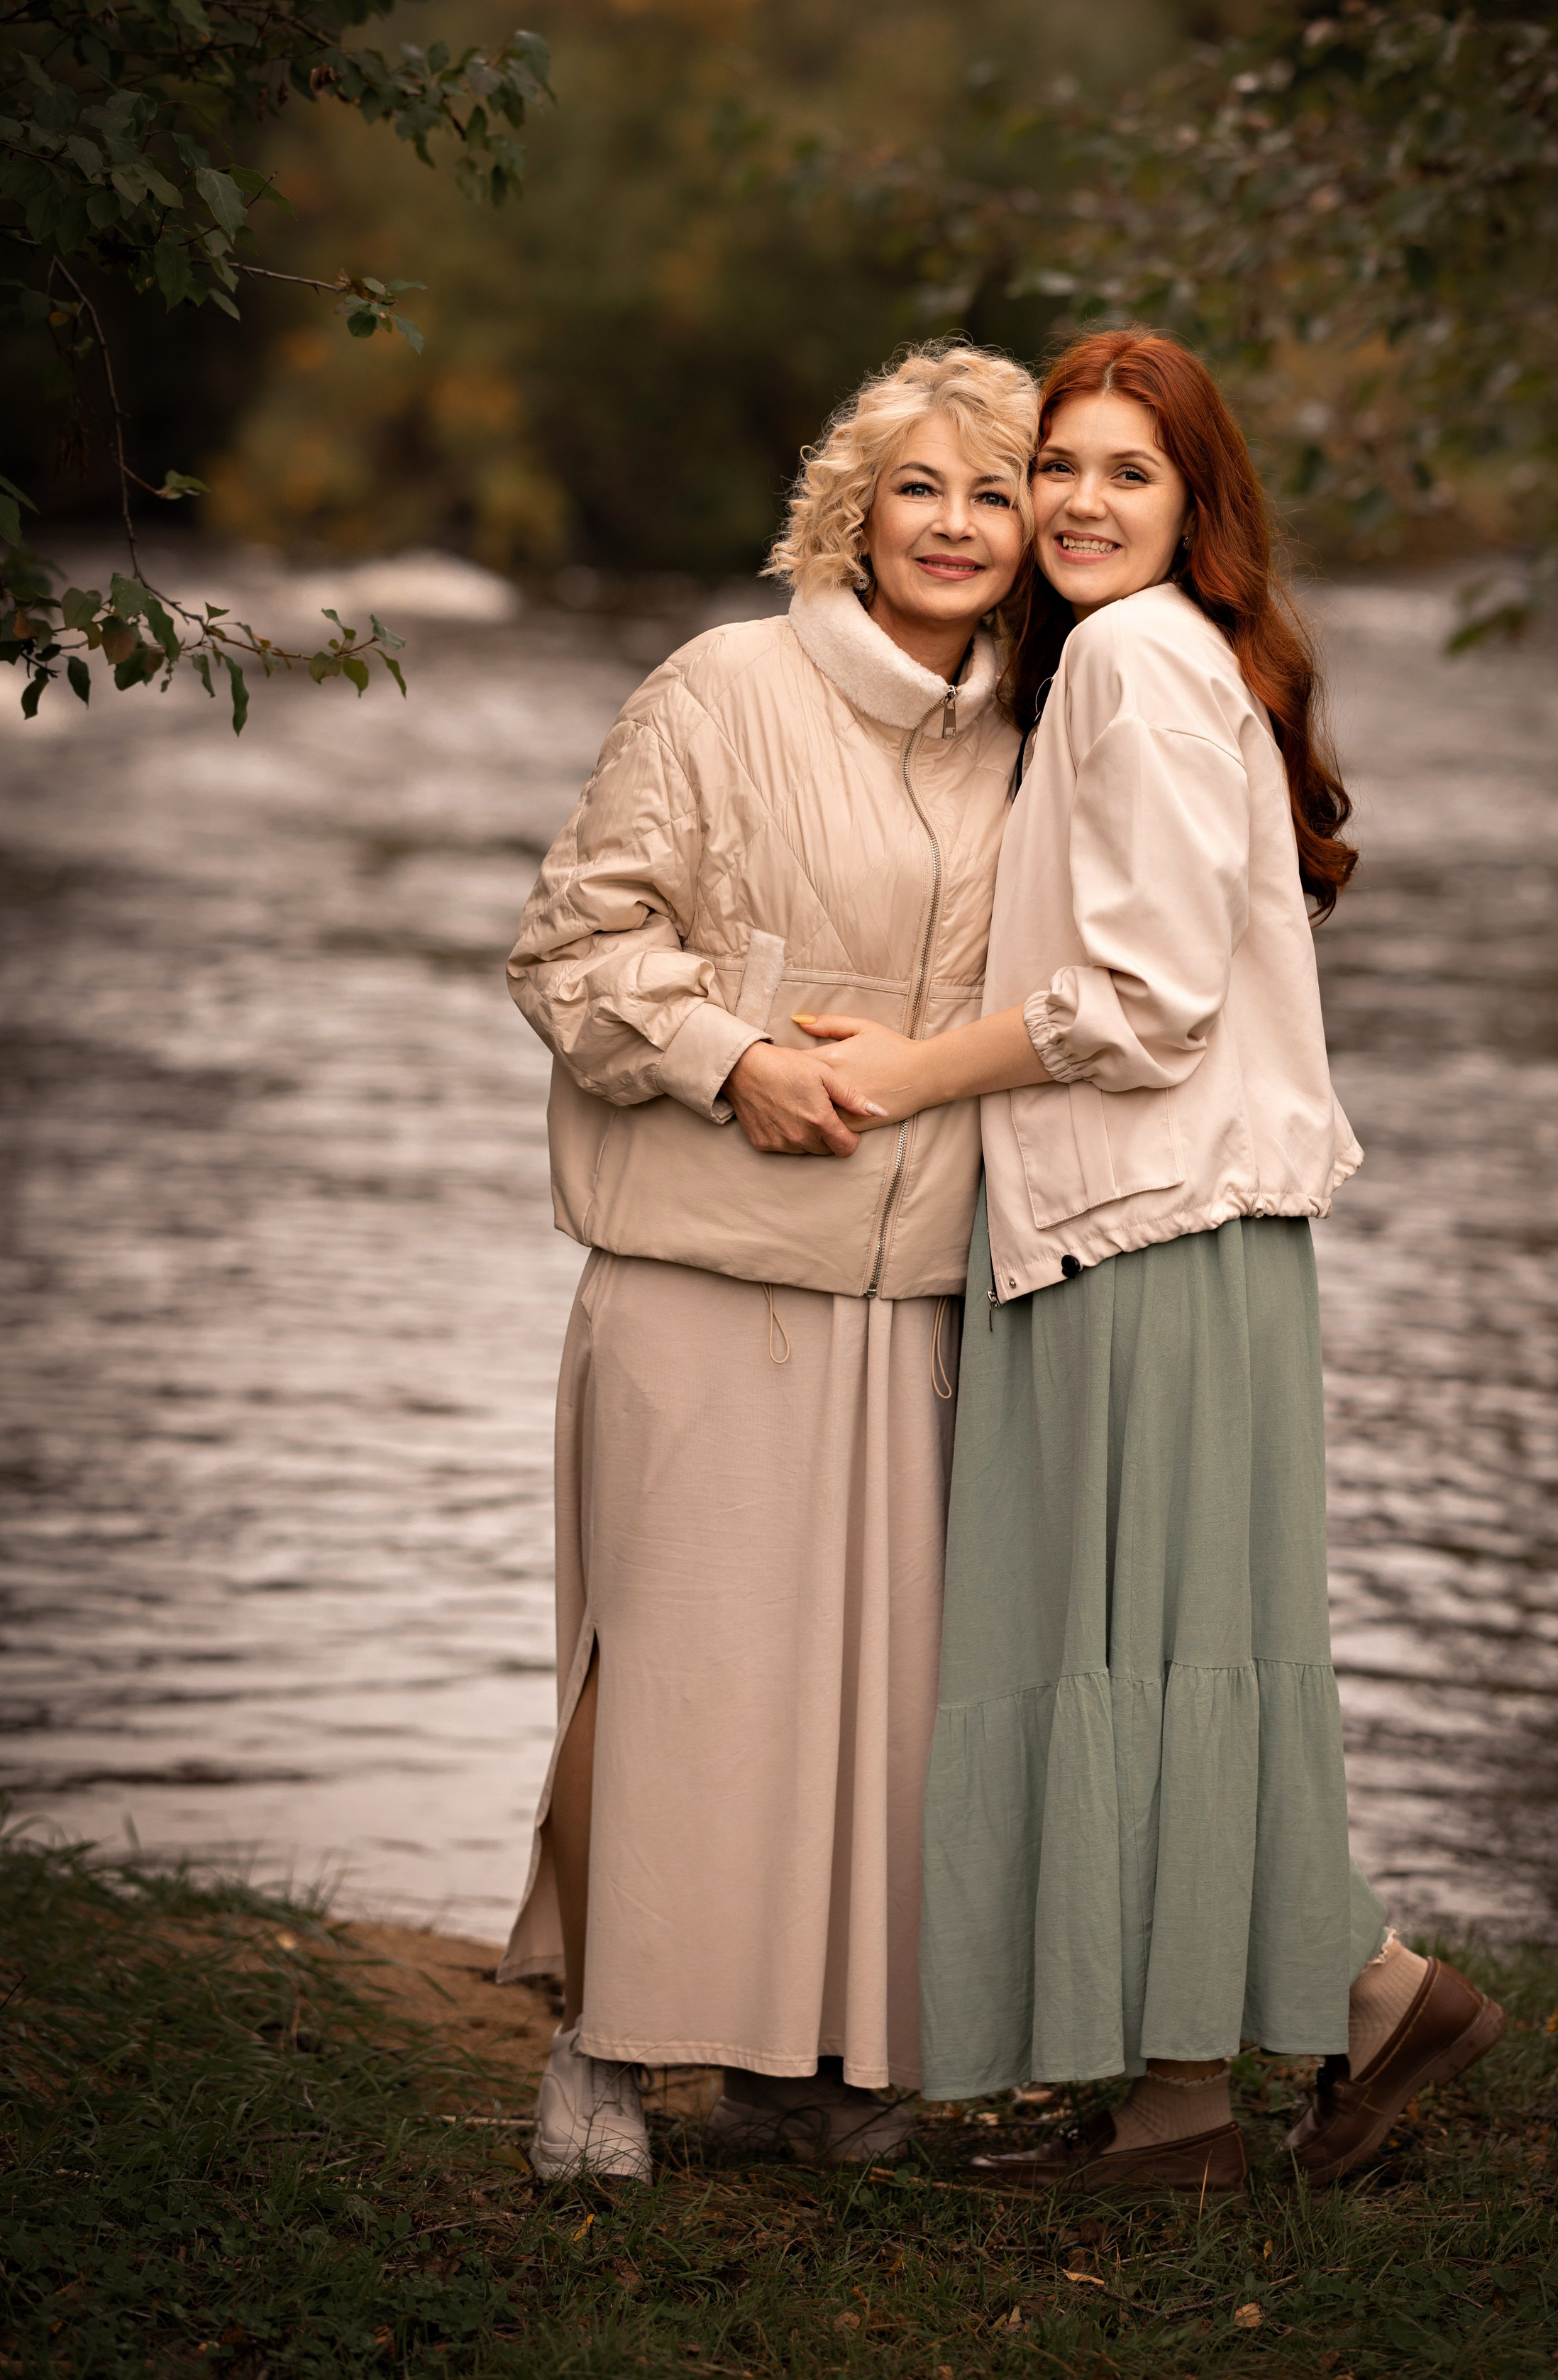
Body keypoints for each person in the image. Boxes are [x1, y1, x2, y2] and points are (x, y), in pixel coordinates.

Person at [797, 328, 1507, 2198]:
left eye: (1131, 470)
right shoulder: (1152, 663)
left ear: (1198, 504)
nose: (1080, 502)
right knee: (1165, 1666)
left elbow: (1147, 1000)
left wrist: (905, 1072)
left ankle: (1349, 2011)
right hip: (1155, 1230)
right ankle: (1216, 2089)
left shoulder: (1132, 659)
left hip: (1150, 1232)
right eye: (1061, 465)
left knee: (1150, 1663)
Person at [497, 341, 1036, 2181]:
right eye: (919, 488)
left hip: (922, 1294)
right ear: (854, 514)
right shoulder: (721, 687)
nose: (954, 526)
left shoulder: (1047, 735)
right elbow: (569, 954)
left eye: (993, 492)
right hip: (703, 1267)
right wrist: (733, 1060)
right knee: (674, 1680)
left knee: (869, 1711)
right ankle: (601, 2053)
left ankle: (806, 2066)